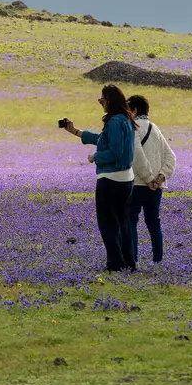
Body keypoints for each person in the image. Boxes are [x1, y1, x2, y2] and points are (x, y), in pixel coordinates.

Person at [62, 85, 137, 272]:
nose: (101, 103)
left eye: (102, 100)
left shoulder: (114, 121)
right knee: (123, 222)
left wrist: (95, 157)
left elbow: (115, 151)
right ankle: (129, 263)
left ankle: (115, 264)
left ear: (110, 101)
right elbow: (104, 139)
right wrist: (76, 132)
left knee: (108, 223)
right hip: (126, 179)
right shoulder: (126, 119)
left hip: (110, 179)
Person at [126, 94, 177, 266]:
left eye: (128, 109)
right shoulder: (155, 129)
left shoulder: (133, 128)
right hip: (156, 187)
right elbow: (171, 157)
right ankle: (158, 260)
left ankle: (133, 260)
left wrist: (149, 179)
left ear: (134, 110)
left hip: (139, 184)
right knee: (153, 222)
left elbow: (137, 156)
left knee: (131, 220)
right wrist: (160, 177)